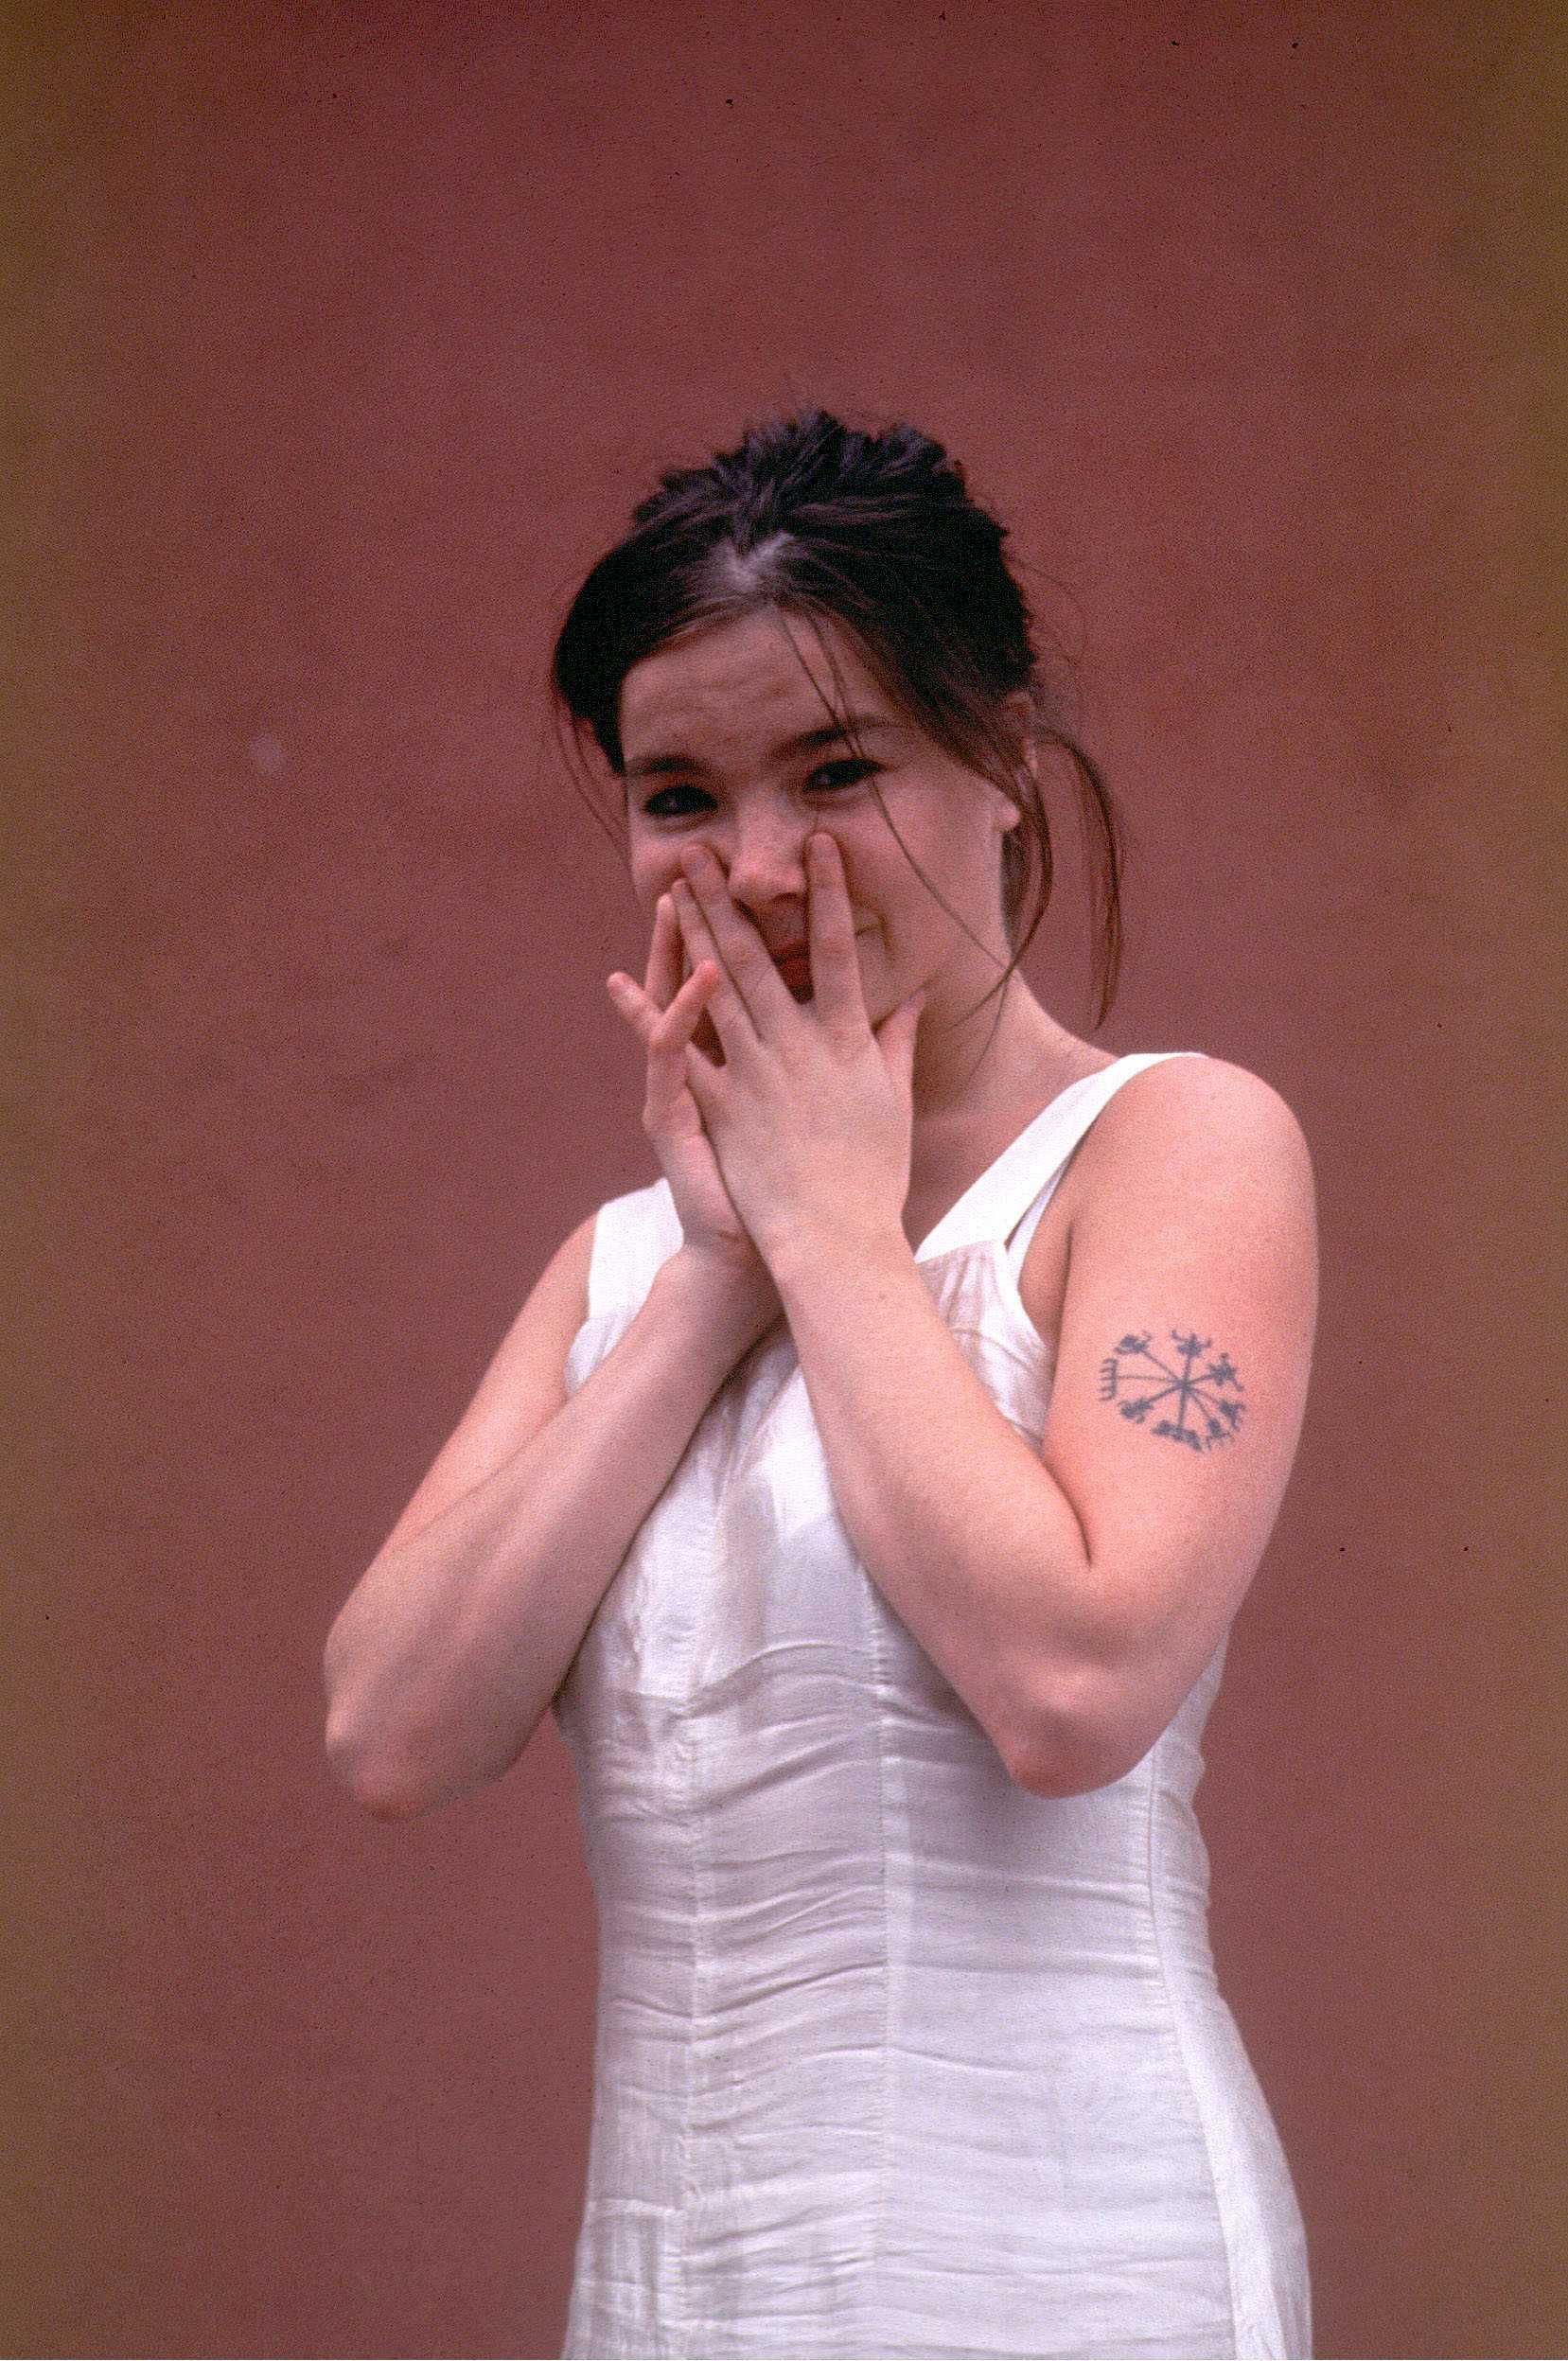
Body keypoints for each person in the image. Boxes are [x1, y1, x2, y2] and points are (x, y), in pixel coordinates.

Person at [322, 410, 1319, 2359]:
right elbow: (392, 1728)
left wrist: (833, 1238)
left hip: (1061, 2274)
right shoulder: (631, 1265)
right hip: (676, 2294)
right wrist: (721, 1274)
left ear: (1003, 761)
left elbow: (1071, 1686)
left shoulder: (1172, 1149)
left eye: (839, 769)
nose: (762, 866)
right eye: (680, 796)